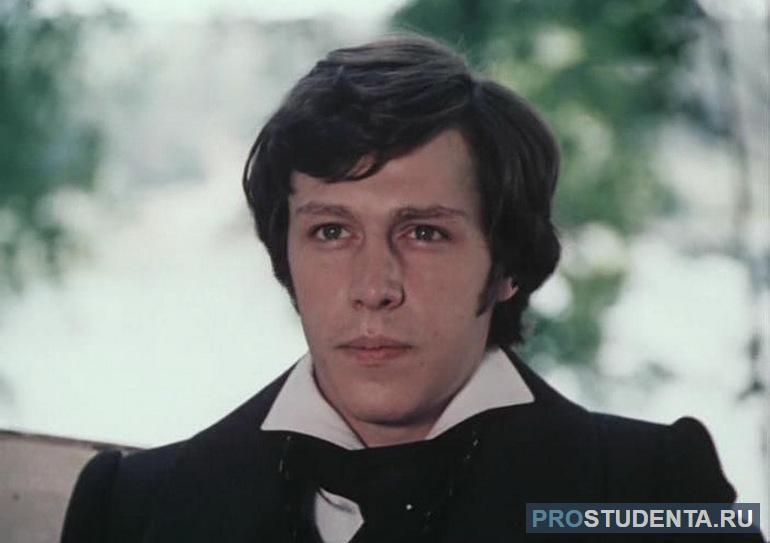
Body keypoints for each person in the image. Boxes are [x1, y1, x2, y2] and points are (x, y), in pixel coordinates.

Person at [60, 34, 763, 543]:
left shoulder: (656, 493)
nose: (374, 288)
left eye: (424, 232)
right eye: (331, 231)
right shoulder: (132, 508)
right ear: (286, 256)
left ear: (507, 265)